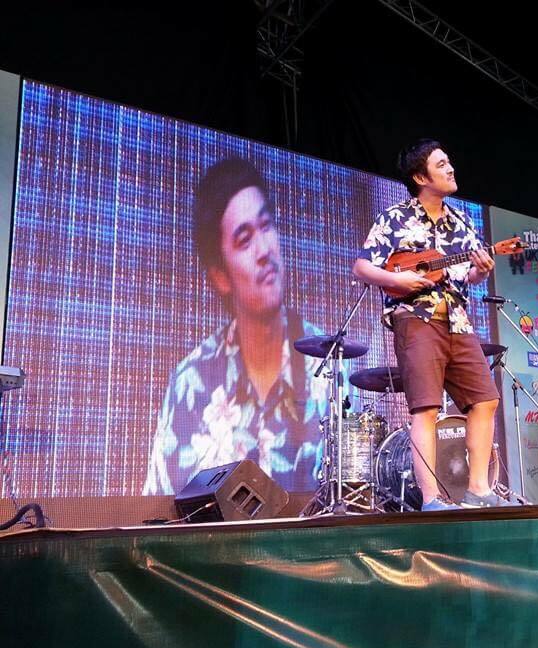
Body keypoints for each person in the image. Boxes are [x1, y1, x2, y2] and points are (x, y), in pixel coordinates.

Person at [144, 157, 327, 496]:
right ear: (220, 276)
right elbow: (160, 503)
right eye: (244, 240)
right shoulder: (190, 383)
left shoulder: (330, 361)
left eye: (266, 226)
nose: (264, 250)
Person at [352, 138, 502, 510]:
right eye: (441, 164)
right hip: (415, 319)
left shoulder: (462, 222)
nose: (451, 168)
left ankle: (479, 489)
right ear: (421, 177)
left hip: (457, 319)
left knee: (485, 400)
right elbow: (362, 266)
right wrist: (397, 280)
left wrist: (482, 271)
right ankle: (432, 498)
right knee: (427, 408)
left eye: (449, 162)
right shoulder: (394, 217)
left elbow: (468, 276)